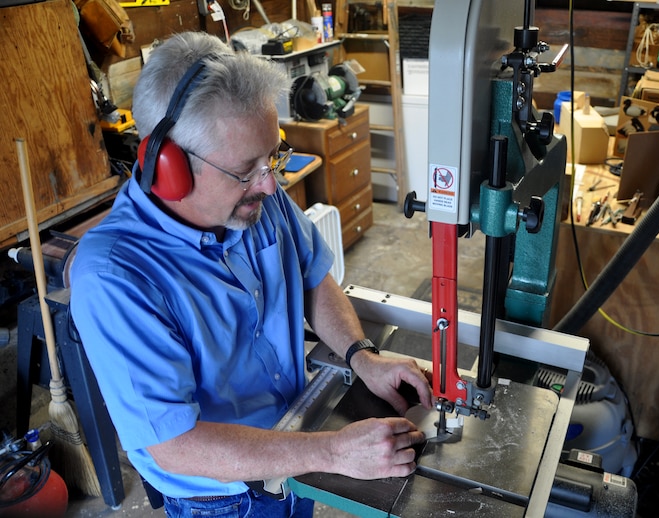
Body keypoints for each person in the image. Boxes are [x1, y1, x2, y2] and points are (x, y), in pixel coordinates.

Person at [70, 31, 434, 517]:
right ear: (168, 166)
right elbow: (176, 444)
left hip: (294, 451)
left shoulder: (257, 198)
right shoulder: (115, 277)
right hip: (223, 498)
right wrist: (333, 452)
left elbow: (312, 276)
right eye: (246, 169)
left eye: (272, 157)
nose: (270, 182)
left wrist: (361, 357)